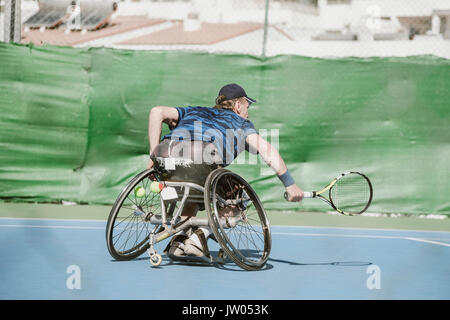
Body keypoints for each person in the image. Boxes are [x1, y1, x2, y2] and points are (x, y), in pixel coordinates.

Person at [147, 83, 304, 261]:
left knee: (194, 193)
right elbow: (266, 150)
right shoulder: (241, 123)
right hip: (201, 157)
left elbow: (156, 111)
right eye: (247, 105)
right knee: (239, 196)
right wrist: (290, 184)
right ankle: (199, 237)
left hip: (166, 156)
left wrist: (153, 157)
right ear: (238, 105)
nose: (248, 110)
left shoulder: (195, 110)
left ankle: (179, 241)